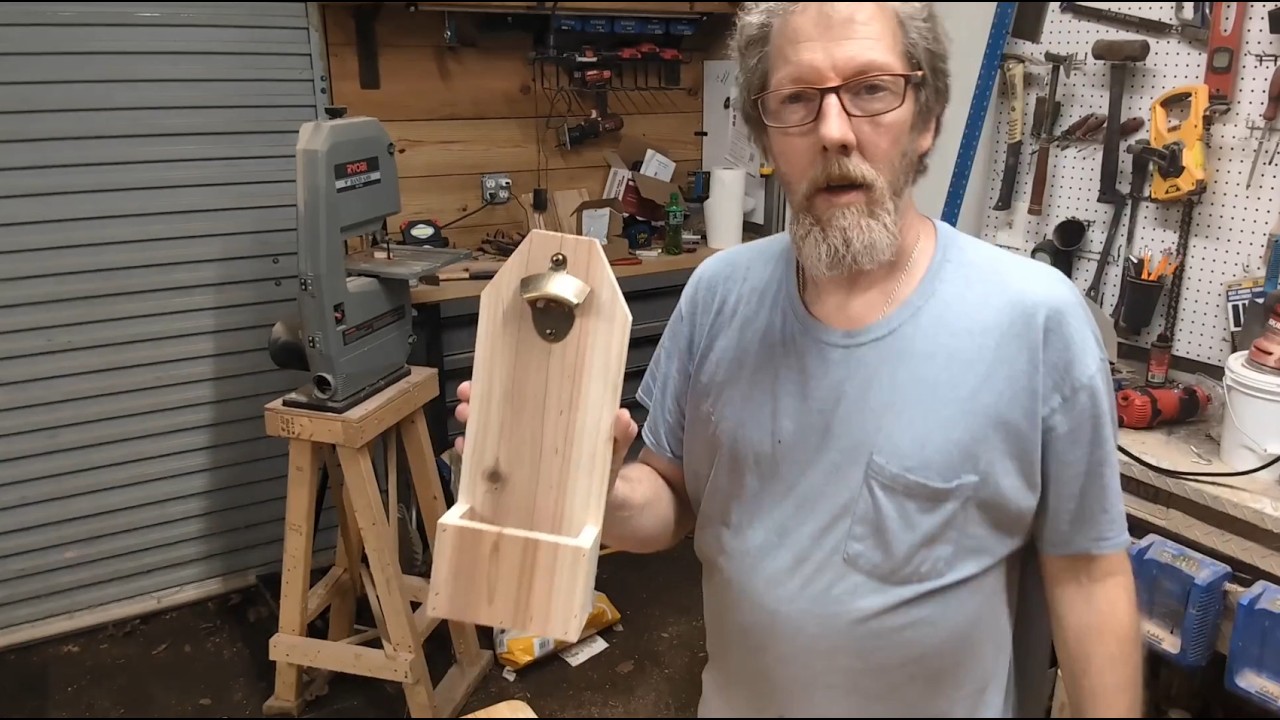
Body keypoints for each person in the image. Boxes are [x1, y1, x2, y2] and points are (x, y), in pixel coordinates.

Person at [454, 2, 1144, 716]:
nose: (834, 131)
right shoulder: (717, 294)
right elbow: (676, 500)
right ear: (765, 135)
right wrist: (594, 492)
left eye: (872, 88)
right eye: (797, 99)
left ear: (928, 120)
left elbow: (1089, 577)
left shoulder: (1036, 322)